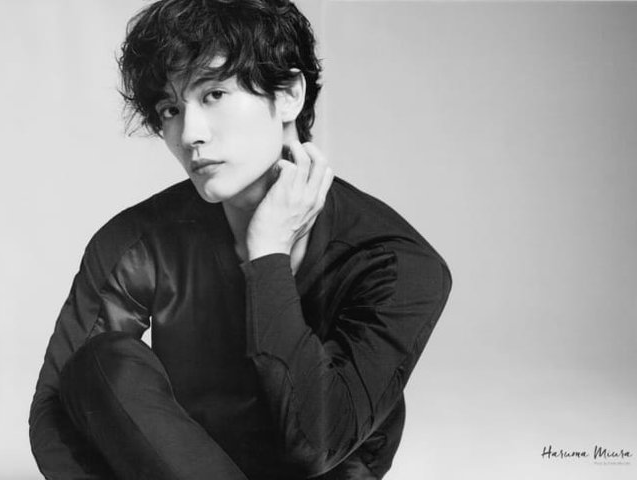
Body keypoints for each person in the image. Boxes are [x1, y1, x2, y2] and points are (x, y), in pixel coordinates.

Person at [29, 0, 452, 479]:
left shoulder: (396, 262)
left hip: (325, 468)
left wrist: (267, 253)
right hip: (182, 466)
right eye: (171, 108)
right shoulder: (139, 242)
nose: (189, 134)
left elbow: (316, 443)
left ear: (288, 94)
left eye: (214, 94)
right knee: (98, 365)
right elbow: (54, 410)